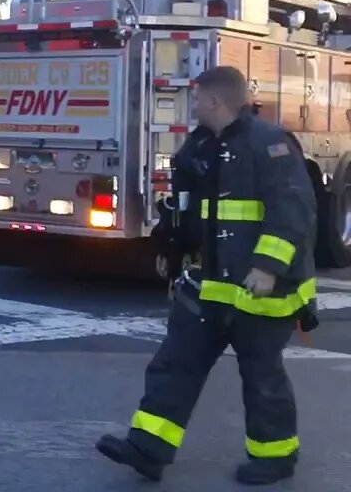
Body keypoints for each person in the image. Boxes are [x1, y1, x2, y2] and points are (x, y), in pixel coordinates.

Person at [95, 65, 318, 486]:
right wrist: (169, 247)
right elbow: (184, 209)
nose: (192, 105)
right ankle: (148, 449)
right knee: (175, 364)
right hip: (207, 287)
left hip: (261, 292)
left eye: (196, 98)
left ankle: (275, 457)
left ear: (214, 101)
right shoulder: (198, 147)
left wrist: (268, 267)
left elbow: (293, 211)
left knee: (261, 375)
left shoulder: (270, 146)